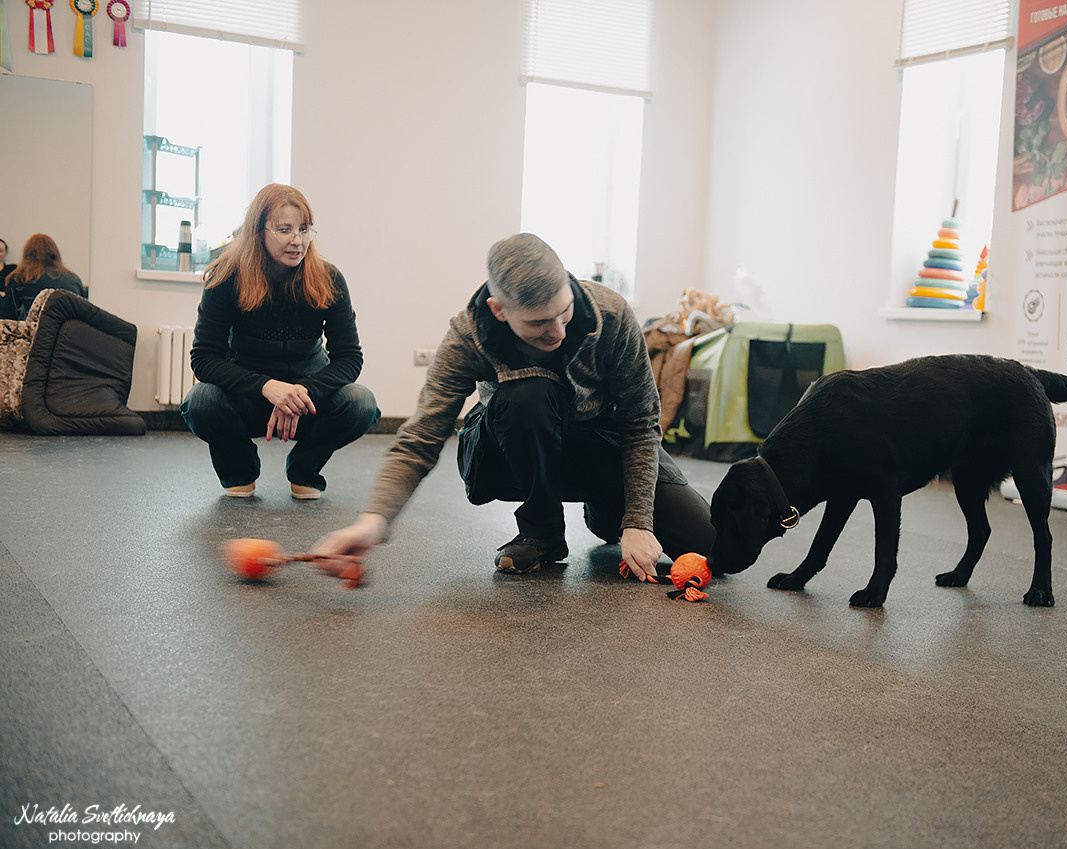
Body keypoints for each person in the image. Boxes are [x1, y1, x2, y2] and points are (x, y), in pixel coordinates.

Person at [312, 233, 715, 580]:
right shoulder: (468, 335)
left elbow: (641, 422)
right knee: (527, 394)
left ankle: (608, 509)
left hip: (601, 439)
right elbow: (421, 436)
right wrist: (373, 521)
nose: (556, 331)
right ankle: (541, 529)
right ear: (499, 310)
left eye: (564, 312)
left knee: (712, 547)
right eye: (539, 323)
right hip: (513, 445)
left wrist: (637, 521)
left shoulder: (611, 314)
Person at [180, 184, 380, 499]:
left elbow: (349, 358)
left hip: (307, 401)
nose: (297, 241)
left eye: (303, 229)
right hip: (248, 398)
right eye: (284, 230)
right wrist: (268, 387)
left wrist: (303, 391)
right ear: (258, 232)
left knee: (361, 403)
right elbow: (204, 359)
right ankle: (239, 470)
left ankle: (304, 469)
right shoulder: (226, 278)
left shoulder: (329, 279)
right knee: (201, 401)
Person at [0, 234, 86, 320]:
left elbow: (8, 315)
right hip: (68, 331)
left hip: (36, 330)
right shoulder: (73, 278)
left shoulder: (20, 277)